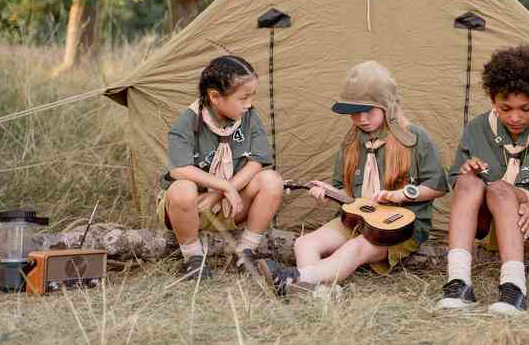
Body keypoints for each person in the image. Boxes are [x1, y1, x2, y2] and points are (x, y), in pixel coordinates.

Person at [259, 61, 447, 296]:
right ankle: (319, 292)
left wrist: (401, 194)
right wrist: (328, 192)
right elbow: (343, 190)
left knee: (355, 248)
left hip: (399, 226)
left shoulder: (415, 138)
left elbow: (437, 186)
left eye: (368, 111)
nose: (361, 118)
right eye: (354, 113)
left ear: (386, 107)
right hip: (358, 218)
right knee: (304, 243)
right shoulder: (350, 144)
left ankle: (293, 278)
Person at [439, 45, 529, 315]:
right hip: (487, 221)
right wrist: (469, 169)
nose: (515, 117)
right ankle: (458, 281)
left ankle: (514, 286)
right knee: (467, 182)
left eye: (525, 108)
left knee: (500, 188)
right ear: (492, 100)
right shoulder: (477, 127)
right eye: (505, 108)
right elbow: (459, 181)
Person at [158, 55, 284, 280]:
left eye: (252, 96)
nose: (249, 104)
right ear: (215, 97)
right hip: (191, 208)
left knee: (272, 180)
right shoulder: (187, 121)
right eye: (243, 98)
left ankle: (245, 252)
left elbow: (256, 161)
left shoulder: (249, 117)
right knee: (182, 188)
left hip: (229, 206)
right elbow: (179, 169)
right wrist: (223, 186)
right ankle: (193, 259)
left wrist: (221, 194)